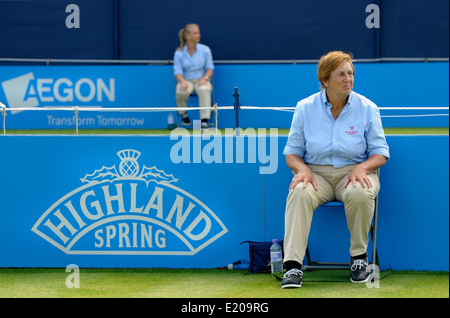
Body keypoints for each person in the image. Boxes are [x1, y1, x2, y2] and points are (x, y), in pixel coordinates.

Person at [281, 51, 390, 288]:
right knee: (298, 192)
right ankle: (292, 266)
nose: (348, 79)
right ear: (325, 80)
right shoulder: (304, 107)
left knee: (361, 192)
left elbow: (381, 152)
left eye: (350, 73)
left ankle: (359, 259)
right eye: (340, 74)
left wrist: (362, 167)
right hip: (315, 175)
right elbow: (291, 153)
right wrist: (302, 170)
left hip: (354, 172)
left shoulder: (367, 107)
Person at [173, 23, 214, 130]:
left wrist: (204, 79)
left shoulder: (205, 50)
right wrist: (182, 81)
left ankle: (204, 121)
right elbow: (177, 72)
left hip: (201, 79)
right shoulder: (179, 53)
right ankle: (183, 114)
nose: (198, 35)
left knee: (204, 89)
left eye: (199, 33)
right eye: (195, 33)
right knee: (181, 90)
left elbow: (210, 69)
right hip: (186, 80)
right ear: (187, 36)